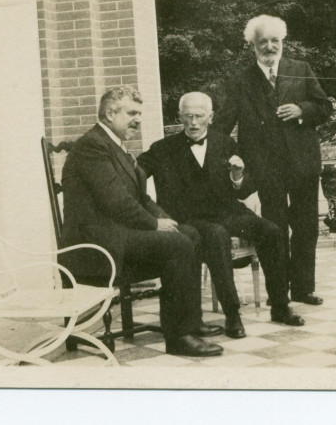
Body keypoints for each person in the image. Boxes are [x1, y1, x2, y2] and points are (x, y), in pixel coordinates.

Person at [60, 86, 224, 357]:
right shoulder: (93, 146)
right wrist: (153, 225)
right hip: (94, 245)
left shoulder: (114, 145)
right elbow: (116, 201)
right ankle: (179, 337)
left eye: (139, 113)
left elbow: (141, 197)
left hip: (116, 237)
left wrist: (165, 220)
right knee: (179, 245)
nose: (138, 119)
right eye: (132, 113)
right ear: (111, 112)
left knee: (189, 233)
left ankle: (191, 322)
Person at [138, 92, 306, 338]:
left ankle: (280, 305)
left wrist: (237, 176)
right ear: (179, 118)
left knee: (271, 231)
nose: (194, 122)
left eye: (200, 116)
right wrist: (152, 211)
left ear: (211, 117)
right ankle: (232, 314)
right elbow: (133, 174)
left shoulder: (225, 143)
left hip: (228, 211)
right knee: (217, 236)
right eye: (188, 116)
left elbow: (245, 188)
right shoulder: (162, 149)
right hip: (191, 218)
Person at [214, 15, 332, 306]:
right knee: (274, 230)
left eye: (274, 41)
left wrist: (301, 110)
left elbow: (325, 107)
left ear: (283, 42)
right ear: (252, 45)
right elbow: (223, 124)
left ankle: (304, 289)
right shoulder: (241, 81)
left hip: (303, 165)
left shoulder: (300, 69)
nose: (269, 47)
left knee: (306, 228)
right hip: (266, 169)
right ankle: (277, 292)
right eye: (262, 41)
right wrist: (225, 153)